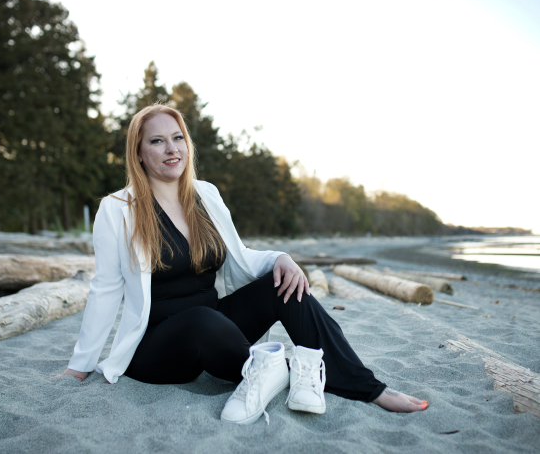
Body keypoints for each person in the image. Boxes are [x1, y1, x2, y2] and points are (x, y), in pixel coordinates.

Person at [54, 103, 428, 423]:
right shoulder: (118, 210)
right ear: (138, 152)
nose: (172, 149)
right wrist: (81, 364)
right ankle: (288, 369)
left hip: (216, 326)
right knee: (202, 319)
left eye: (178, 138)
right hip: (158, 347)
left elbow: (241, 257)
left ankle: (366, 386)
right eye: (157, 141)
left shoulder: (206, 195)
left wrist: (281, 258)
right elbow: (105, 289)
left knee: (285, 289)